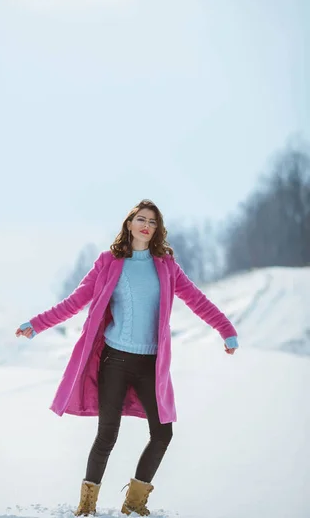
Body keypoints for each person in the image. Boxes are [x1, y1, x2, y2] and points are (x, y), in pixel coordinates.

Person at [15, 199, 239, 517]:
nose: (146, 225)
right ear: (130, 224)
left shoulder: (166, 266)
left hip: (150, 365)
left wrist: (226, 330)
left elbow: (198, 301)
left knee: (163, 433)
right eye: (141, 219)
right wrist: (36, 324)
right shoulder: (109, 262)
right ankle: (86, 506)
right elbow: (75, 301)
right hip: (115, 362)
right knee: (107, 434)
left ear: (157, 230)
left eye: (152, 222)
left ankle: (134, 504)